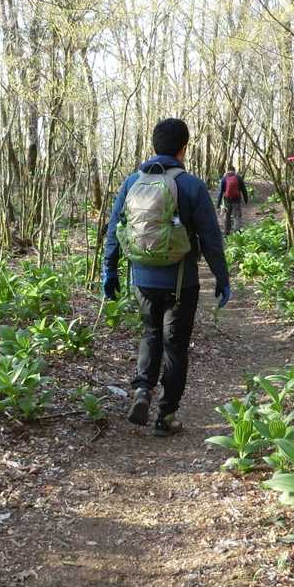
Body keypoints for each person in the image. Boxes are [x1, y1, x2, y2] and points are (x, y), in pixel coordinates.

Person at [103, 118, 231, 437]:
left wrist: (110, 269)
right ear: (183, 148)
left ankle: (142, 390)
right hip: (181, 282)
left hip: (142, 279)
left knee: (150, 334)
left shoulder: (132, 182)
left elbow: (115, 229)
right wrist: (221, 277)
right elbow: (211, 239)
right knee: (175, 346)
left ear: (154, 145)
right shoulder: (191, 186)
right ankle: (166, 416)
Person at [216, 168, 252, 234]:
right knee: (237, 216)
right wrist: (246, 200)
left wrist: (218, 205)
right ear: (234, 171)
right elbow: (244, 190)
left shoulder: (224, 178)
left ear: (227, 171)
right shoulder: (238, 178)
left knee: (227, 216)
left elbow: (221, 192)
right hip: (237, 200)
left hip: (227, 200)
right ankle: (237, 232)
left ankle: (227, 232)